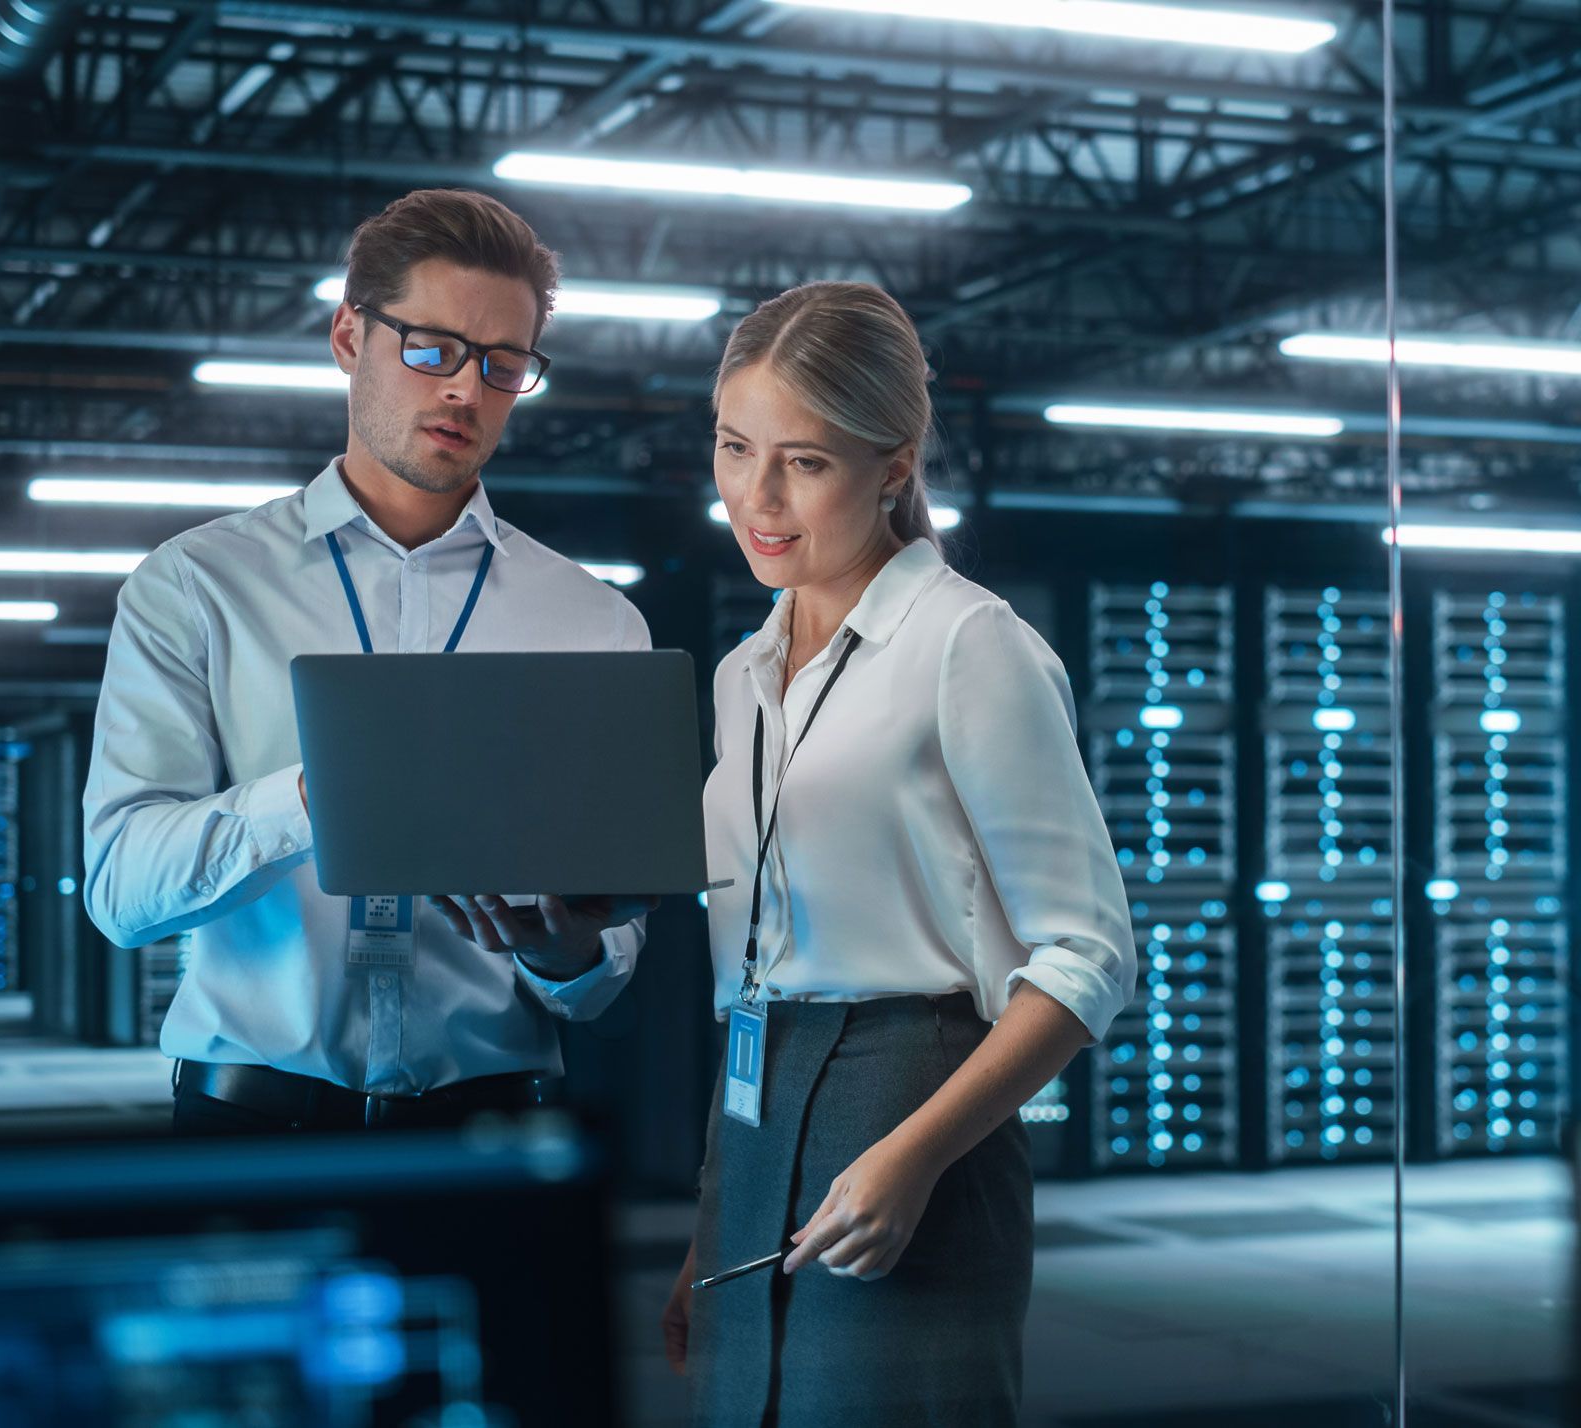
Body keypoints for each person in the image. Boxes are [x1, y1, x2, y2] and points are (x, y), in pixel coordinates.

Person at [82, 188, 655, 1135]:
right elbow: (121, 897)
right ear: (350, 335)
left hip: (493, 1140)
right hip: (252, 1135)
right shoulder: (195, 587)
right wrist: (314, 799)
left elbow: (599, 984)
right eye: (430, 350)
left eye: (504, 365)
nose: (465, 390)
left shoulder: (594, 623)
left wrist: (567, 953)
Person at [663, 282, 1137, 1425]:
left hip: (915, 1101)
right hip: (754, 1108)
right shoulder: (742, 677)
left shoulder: (968, 645)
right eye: (735, 448)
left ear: (894, 464)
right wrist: (708, 1223)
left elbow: (1088, 956)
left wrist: (912, 1156)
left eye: (805, 463)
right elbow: (752, 973)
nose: (757, 497)